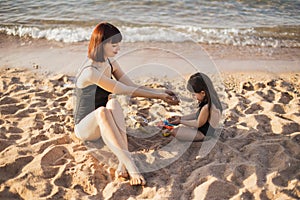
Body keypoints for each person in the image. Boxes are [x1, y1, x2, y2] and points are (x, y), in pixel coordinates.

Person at [73, 22, 179, 186]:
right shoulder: (90, 72)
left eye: (118, 45)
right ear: (101, 44)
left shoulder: (110, 63)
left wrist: (160, 93)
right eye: (114, 45)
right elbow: (122, 89)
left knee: (113, 103)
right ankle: (131, 164)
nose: (118, 49)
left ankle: (123, 162)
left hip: (105, 124)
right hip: (85, 128)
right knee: (102, 111)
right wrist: (158, 97)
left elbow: (131, 86)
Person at [167, 72, 222, 141]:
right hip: (206, 130)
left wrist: (181, 121)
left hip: (203, 134)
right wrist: (181, 118)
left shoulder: (207, 107)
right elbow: (197, 115)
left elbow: (198, 123)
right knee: (177, 130)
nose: (193, 97)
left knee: (175, 131)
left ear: (203, 93)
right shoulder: (212, 101)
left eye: (194, 94)